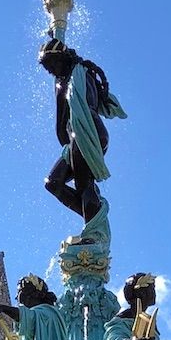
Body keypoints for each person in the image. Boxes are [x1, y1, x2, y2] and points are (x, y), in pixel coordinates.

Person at [39, 38, 125, 223]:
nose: (51, 70)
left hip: (87, 131)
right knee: (53, 183)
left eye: (52, 64)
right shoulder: (69, 77)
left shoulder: (77, 75)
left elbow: (64, 119)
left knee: (84, 184)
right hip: (76, 136)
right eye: (47, 67)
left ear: (63, 58)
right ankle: (96, 220)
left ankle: (94, 229)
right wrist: (57, 30)